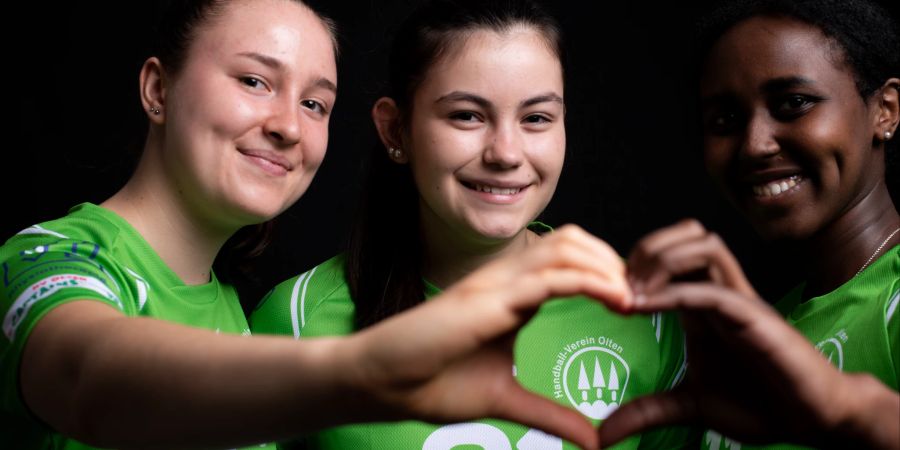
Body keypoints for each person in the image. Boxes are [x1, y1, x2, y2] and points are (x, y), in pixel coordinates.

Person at [0, 1, 632, 449]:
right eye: (254, 80)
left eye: (314, 103)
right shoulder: (48, 256)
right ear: (157, 89)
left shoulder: (235, 317)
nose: (288, 125)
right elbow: (87, 380)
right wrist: (366, 370)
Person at [250, 1, 688, 448]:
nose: (506, 153)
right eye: (467, 116)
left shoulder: (640, 312)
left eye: (536, 118)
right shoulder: (298, 321)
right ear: (396, 131)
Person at [596, 1, 900, 449]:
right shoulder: (755, 341)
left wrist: (846, 407)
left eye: (794, 104)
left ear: (885, 111)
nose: (754, 144)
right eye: (725, 120)